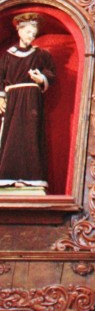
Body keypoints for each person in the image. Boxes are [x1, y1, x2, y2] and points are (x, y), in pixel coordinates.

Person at [0, 13, 56, 193]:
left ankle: (30, 178)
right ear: (20, 32)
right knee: (12, 136)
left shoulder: (40, 54)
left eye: (33, 33)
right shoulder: (8, 55)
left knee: (30, 136)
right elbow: (1, 77)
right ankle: (9, 177)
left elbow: (51, 73)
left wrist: (41, 78)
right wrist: (1, 97)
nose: (31, 36)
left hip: (32, 99)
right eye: (28, 32)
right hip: (13, 99)